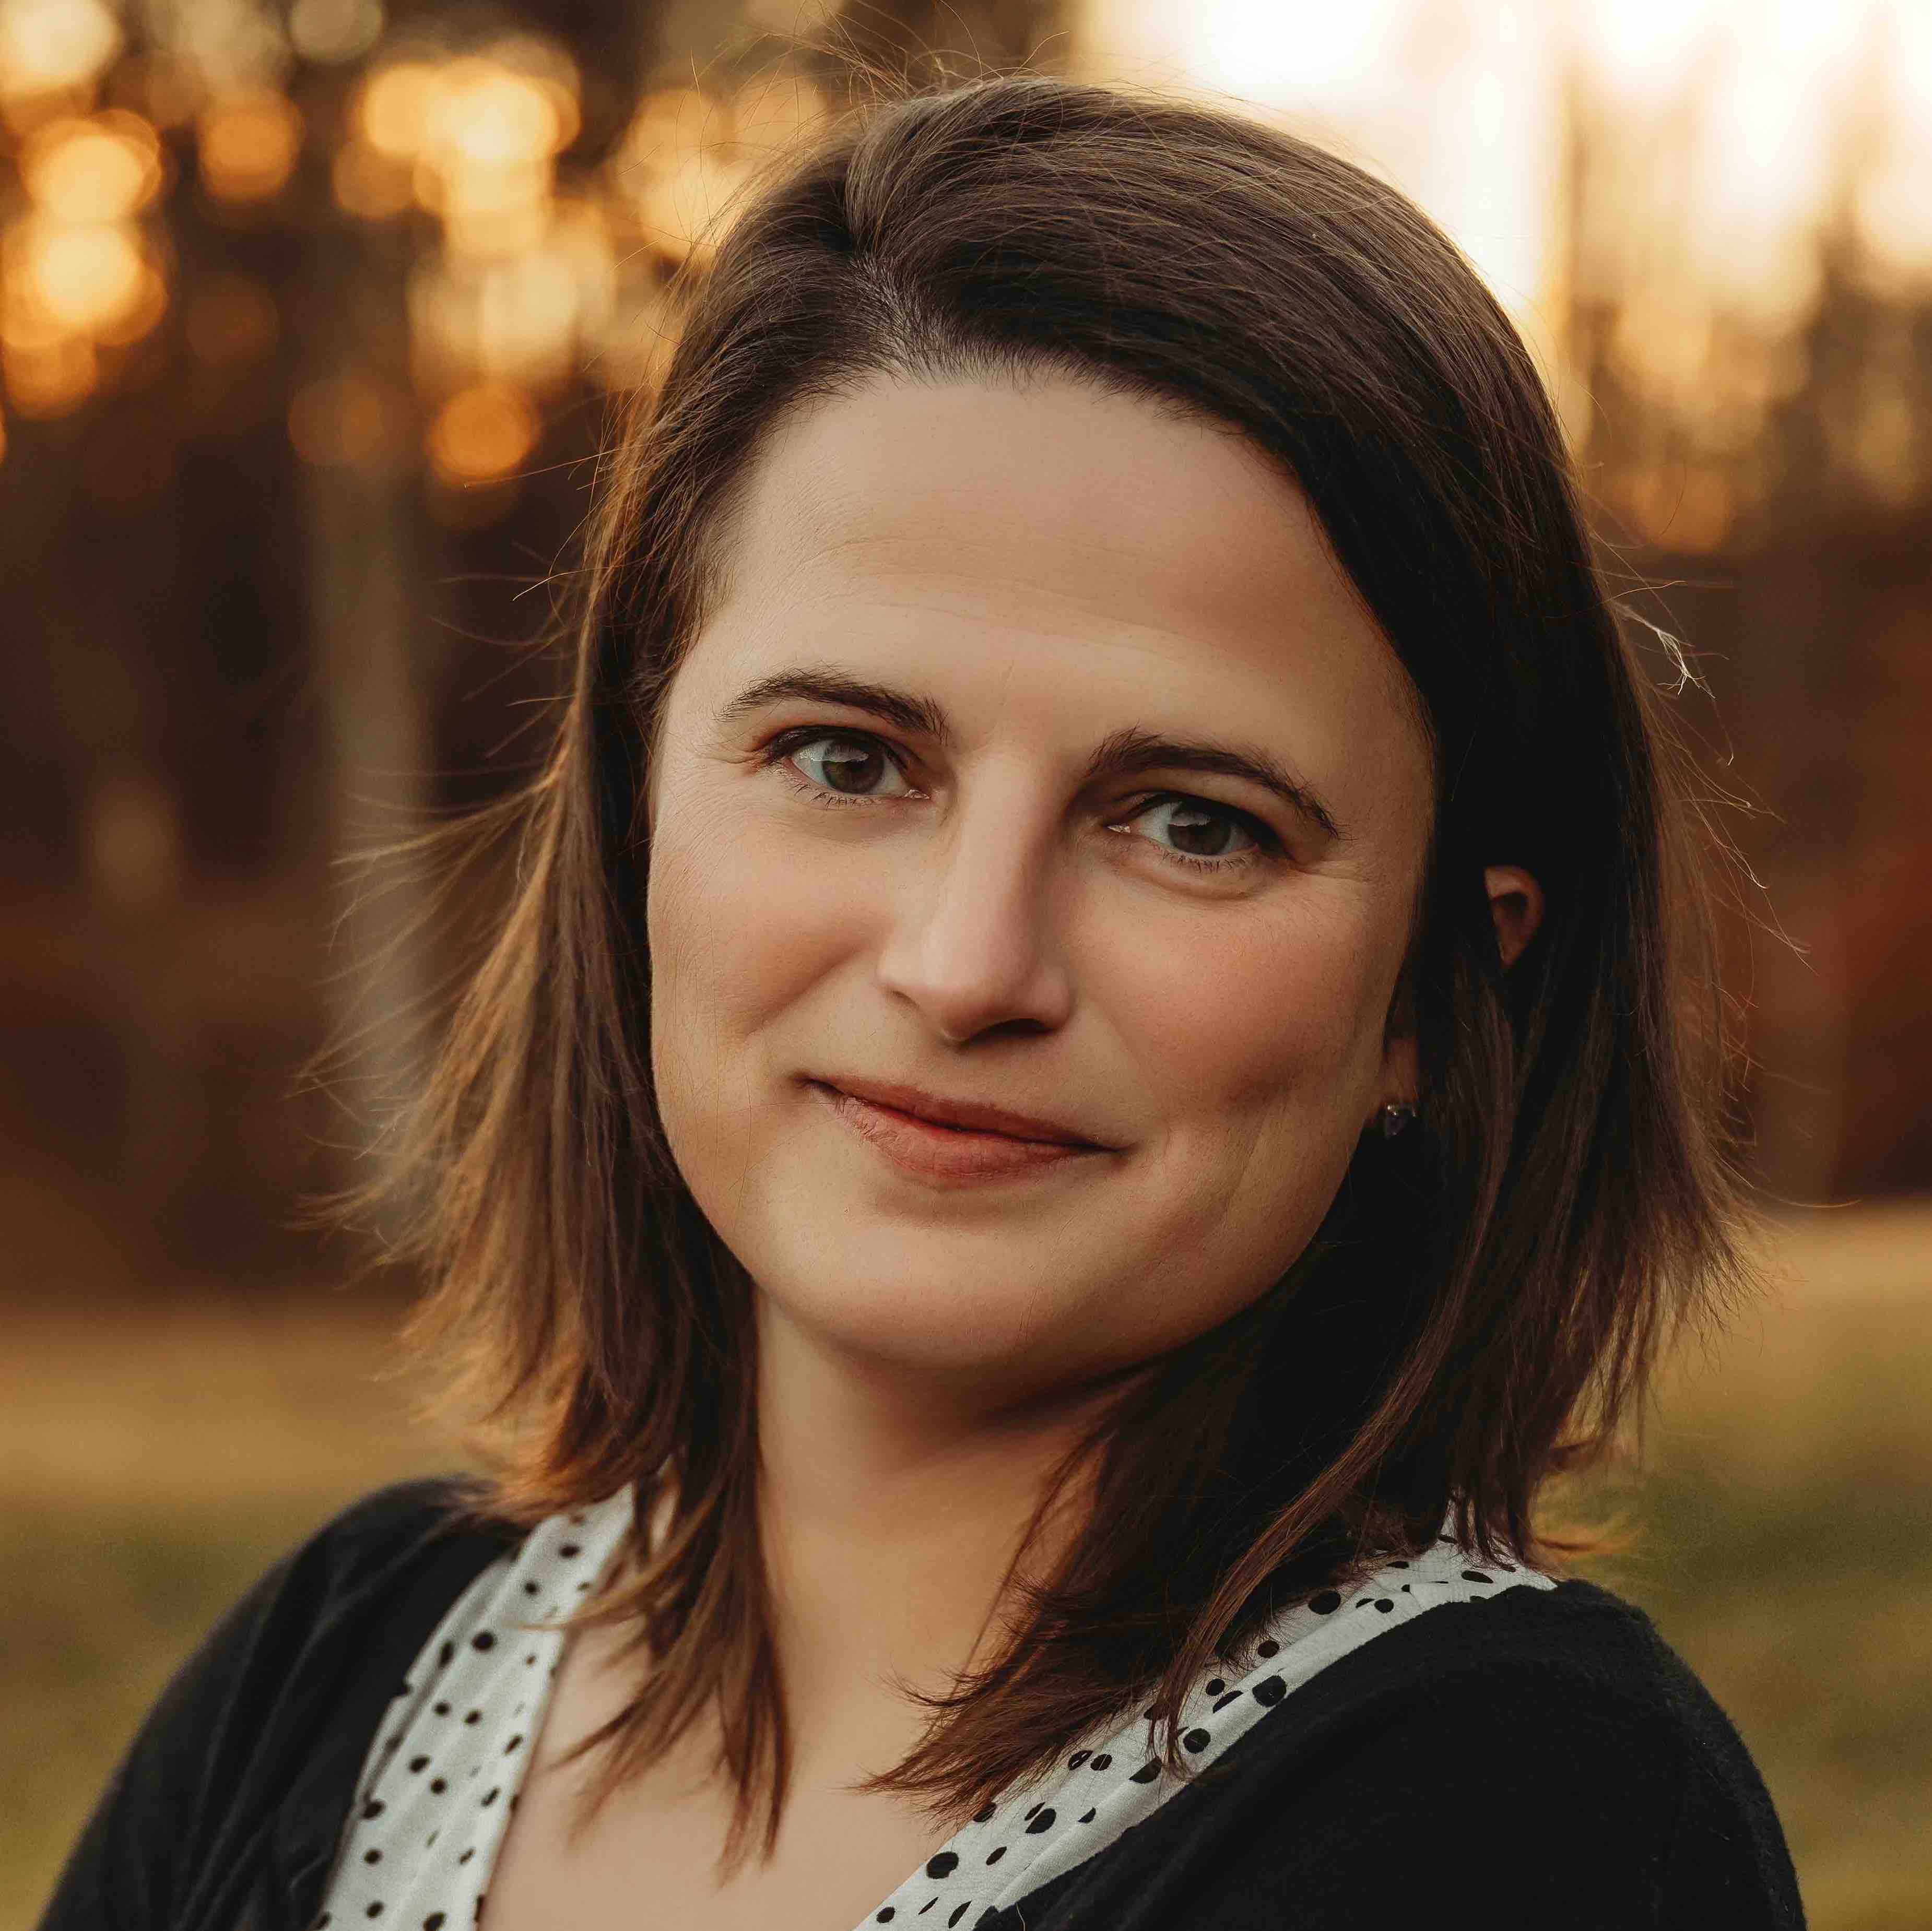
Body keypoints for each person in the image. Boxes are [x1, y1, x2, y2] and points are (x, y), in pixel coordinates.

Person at [40, 72, 1804, 1931]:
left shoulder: (1515, 1818)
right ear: (643, 802)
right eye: (847, 760)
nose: (966, 966)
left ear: (1442, 988)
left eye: (1192, 821)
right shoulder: (340, 1668)